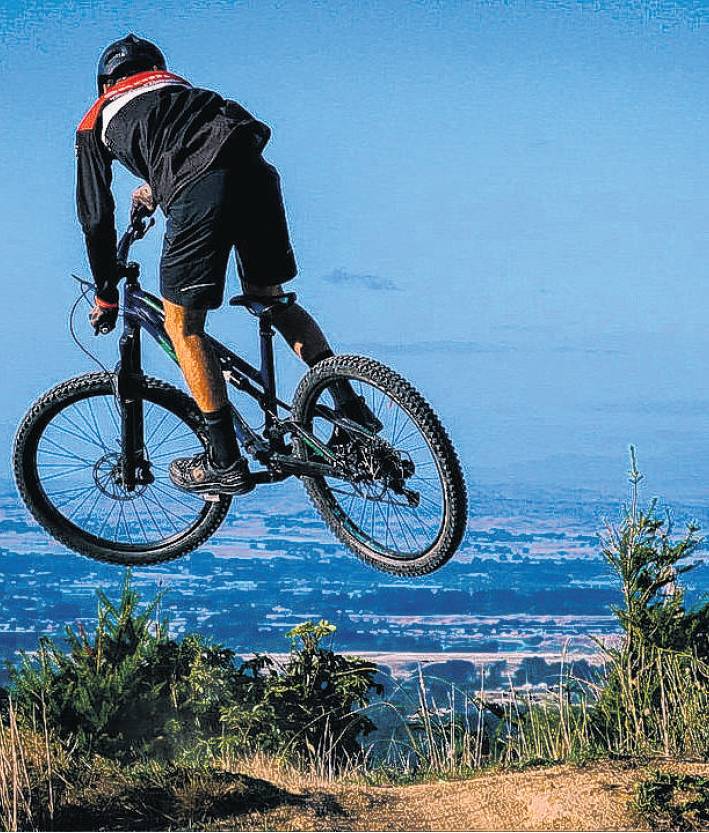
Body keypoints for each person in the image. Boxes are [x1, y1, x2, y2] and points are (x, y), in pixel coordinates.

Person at [76, 34, 379, 496]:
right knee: (270, 299)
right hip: (256, 174)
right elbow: (197, 149)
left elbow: (96, 216)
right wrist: (154, 190)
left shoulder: (97, 116)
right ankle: (350, 408)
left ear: (105, 83)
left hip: (199, 188)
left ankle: (223, 461)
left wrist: (105, 292)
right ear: (154, 69)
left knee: (185, 327)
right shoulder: (181, 92)